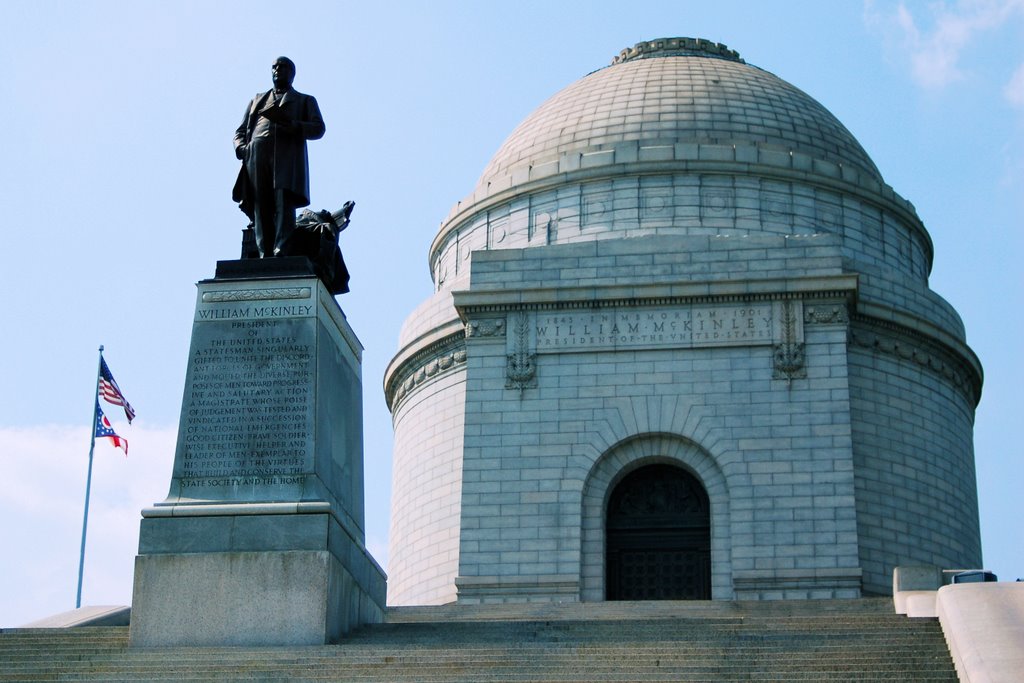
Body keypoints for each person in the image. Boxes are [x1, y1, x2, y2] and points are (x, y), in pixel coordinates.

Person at [232, 57, 325, 257]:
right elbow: (240, 132)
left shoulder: (304, 100)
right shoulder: (257, 99)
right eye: (274, 67)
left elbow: (318, 128)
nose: (277, 70)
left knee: (283, 200)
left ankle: (281, 250)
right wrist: (242, 148)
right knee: (261, 202)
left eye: (282, 67)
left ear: (292, 73)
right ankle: (264, 251)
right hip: (256, 155)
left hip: (287, 156)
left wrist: (294, 125)